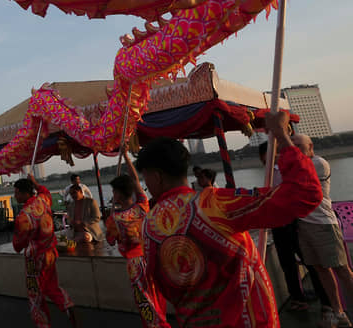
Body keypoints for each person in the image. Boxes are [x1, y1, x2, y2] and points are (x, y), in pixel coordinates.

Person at [136, 111, 322, 328]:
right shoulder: (214, 203)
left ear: (156, 176)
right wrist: (282, 134)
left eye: (145, 177)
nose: (146, 184)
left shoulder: (148, 226)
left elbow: (155, 290)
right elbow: (305, 193)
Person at [258, 141, 330, 313]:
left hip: (294, 221)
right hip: (278, 223)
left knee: (310, 262)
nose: (263, 160)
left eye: (265, 155)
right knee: (287, 263)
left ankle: (326, 302)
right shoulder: (269, 173)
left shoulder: (286, 170)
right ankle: (298, 298)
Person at [292, 133, 353, 328]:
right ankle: (338, 312)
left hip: (323, 224)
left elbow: (297, 188)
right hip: (304, 226)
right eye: (292, 146)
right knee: (321, 270)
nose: (295, 149)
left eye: (299, 146)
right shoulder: (291, 166)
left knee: (342, 270)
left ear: (311, 147)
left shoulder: (318, 163)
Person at [105, 148, 169, 328]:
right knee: (158, 297)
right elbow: (136, 180)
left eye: (114, 191)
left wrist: (112, 209)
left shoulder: (115, 220)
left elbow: (110, 240)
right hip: (153, 257)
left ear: (118, 193)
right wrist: (126, 156)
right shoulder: (143, 206)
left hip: (135, 263)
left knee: (145, 301)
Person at [13, 173, 77, 328]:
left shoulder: (23, 217)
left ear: (23, 193)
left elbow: (17, 246)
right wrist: (35, 182)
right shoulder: (43, 200)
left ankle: (42, 324)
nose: (15, 196)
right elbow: (44, 190)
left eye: (16, 193)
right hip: (50, 253)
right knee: (52, 286)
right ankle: (67, 305)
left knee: (36, 294)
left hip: (35, 260)